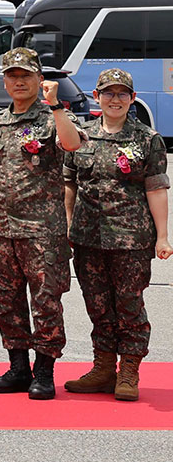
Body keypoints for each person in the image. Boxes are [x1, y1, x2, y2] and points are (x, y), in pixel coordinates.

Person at [0, 47, 85, 400]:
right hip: (1, 230)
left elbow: (72, 145)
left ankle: (44, 371)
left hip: (41, 230)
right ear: (5, 82)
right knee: (5, 299)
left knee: (45, 301)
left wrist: (55, 106)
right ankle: (18, 368)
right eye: (12, 76)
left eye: (26, 75)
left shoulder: (53, 117)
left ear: (39, 79)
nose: (19, 81)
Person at [61, 69, 171, 402]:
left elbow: (156, 189)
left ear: (132, 99)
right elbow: (69, 183)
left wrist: (163, 236)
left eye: (123, 93)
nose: (115, 99)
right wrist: (68, 224)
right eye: (108, 93)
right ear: (96, 97)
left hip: (131, 239)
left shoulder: (147, 139)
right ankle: (104, 368)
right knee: (97, 305)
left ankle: (129, 371)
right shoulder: (81, 137)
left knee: (129, 305)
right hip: (88, 238)